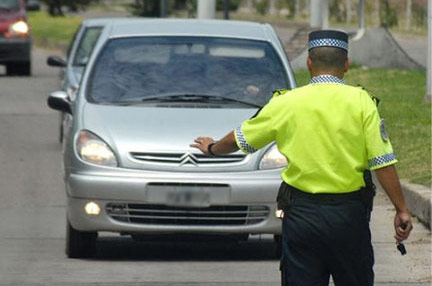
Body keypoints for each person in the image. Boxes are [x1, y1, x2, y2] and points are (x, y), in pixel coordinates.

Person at [190, 30, 413, 286]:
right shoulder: (362, 102)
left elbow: (241, 140)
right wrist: (402, 210)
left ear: (309, 63)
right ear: (346, 64)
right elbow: (382, 161)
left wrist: (211, 148)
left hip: (301, 216)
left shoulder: (287, 102)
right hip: (348, 217)